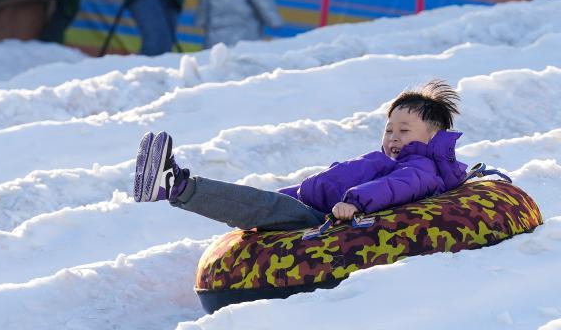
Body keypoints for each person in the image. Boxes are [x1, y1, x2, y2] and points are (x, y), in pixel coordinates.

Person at [132, 80, 468, 231]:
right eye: (389, 129)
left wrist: (357, 202)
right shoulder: (388, 159)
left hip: (322, 220)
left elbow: (397, 188)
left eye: (404, 130)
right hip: (312, 206)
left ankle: (174, 185)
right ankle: (175, 185)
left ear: (432, 136)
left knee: (262, 208)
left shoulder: (420, 167)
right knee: (260, 204)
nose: (393, 136)